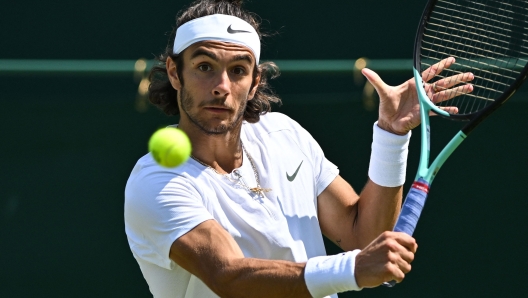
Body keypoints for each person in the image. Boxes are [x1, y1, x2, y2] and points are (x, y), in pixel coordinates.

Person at [124, 0, 473, 297]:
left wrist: (391, 137)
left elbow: (362, 235)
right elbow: (228, 275)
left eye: (238, 70)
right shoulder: (156, 181)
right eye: (204, 67)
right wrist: (353, 269)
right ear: (174, 72)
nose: (221, 86)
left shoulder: (283, 134)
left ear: (255, 81)